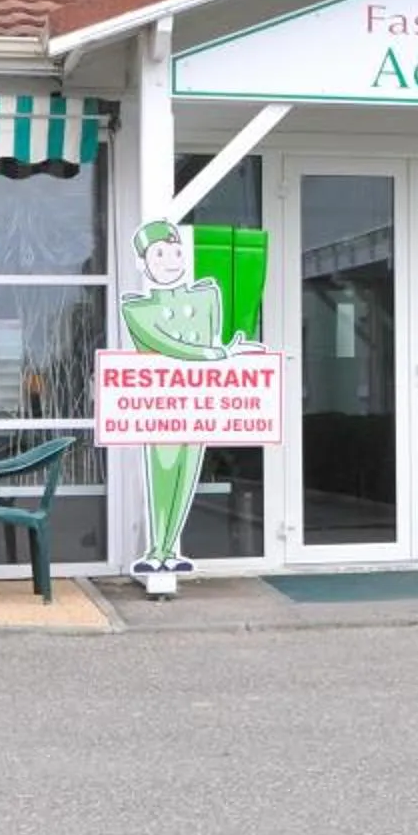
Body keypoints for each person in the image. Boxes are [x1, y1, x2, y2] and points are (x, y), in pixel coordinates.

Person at [116, 220, 258, 574]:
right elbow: (169, 346)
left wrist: (229, 349)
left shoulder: (206, 295)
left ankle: (169, 550)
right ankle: (156, 551)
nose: (170, 260)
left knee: (187, 475)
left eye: (177, 252)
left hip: (196, 400)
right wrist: (219, 355)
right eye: (160, 253)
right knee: (162, 474)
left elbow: (219, 328)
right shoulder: (137, 309)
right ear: (143, 263)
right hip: (159, 403)